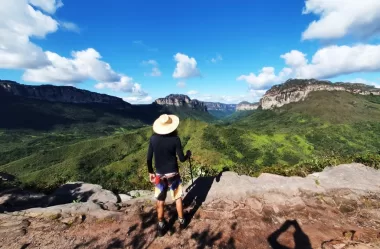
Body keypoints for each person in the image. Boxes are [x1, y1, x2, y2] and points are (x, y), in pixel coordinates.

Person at [147, 114, 191, 237]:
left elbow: (149, 159)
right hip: (173, 174)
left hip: (159, 175)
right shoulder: (175, 139)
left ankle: (161, 225)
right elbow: (182, 159)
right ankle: (182, 221)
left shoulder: (153, 139)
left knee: (160, 200)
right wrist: (188, 154)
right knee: (177, 197)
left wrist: (151, 172)